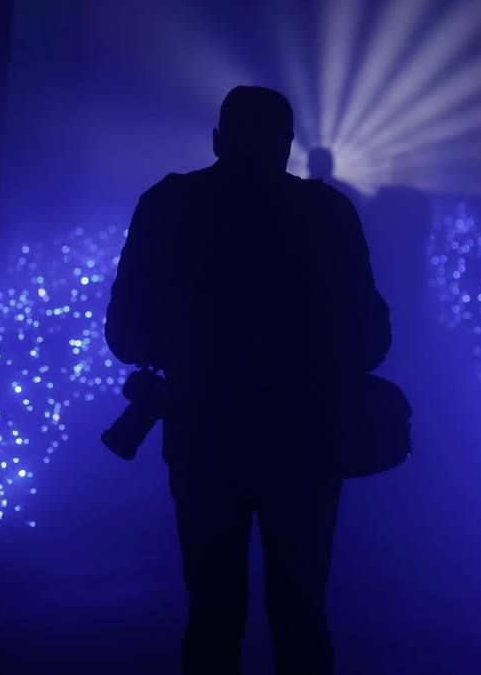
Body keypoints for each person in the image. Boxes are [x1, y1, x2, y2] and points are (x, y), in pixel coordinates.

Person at [105, 86, 391, 675]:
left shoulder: (168, 205)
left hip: (202, 436)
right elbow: (371, 340)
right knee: (303, 613)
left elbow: (125, 336)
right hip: (305, 441)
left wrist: (194, 355)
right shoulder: (327, 214)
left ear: (217, 139)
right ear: (288, 146)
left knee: (211, 613)